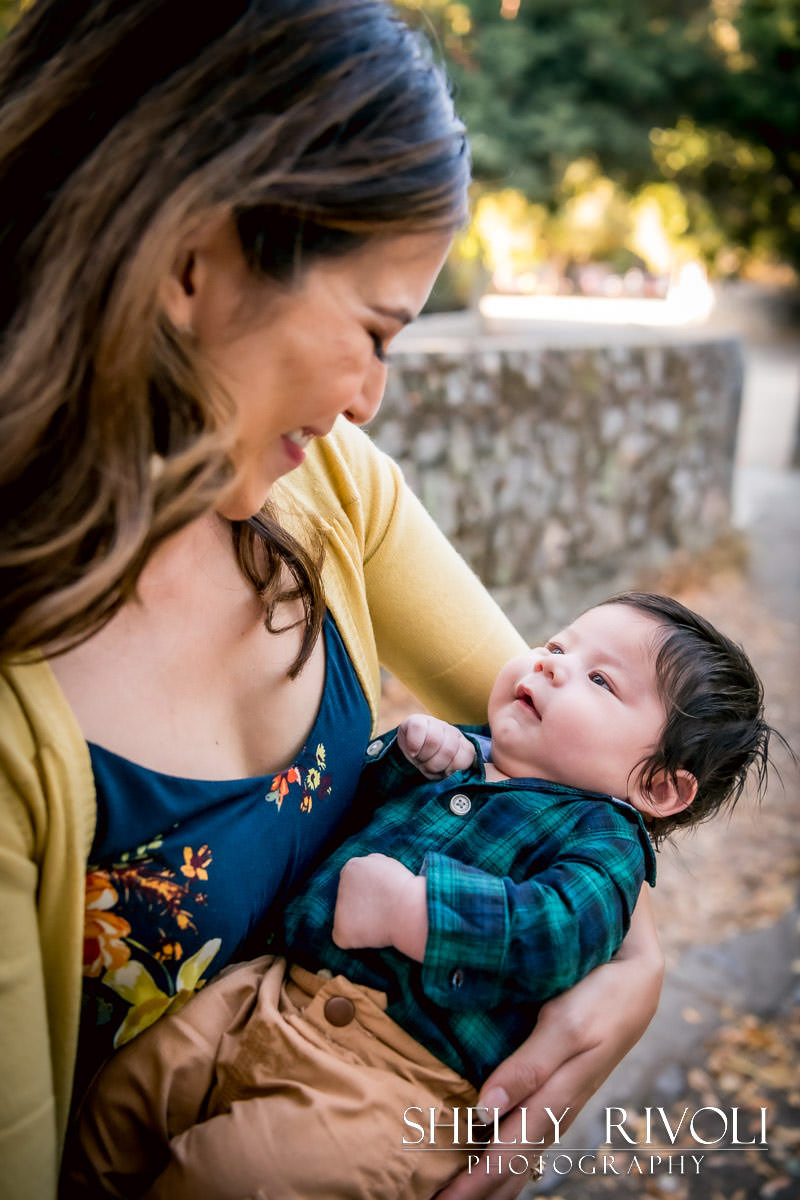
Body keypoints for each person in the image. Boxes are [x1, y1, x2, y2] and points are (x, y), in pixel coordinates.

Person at [0, 2, 665, 1199]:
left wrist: (632, 967)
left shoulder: (332, 489)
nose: (371, 399)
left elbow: (569, 765)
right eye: (371, 329)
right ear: (191, 262)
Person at [63, 591, 774, 1198]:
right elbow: (350, 815)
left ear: (657, 786)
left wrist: (419, 914)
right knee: (114, 1113)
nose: (552, 663)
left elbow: (551, 934)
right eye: (557, 643)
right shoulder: (469, 754)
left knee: (234, 1179)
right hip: (264, 994)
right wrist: (404, 761)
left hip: (390, 1082)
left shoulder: (606, 845)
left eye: (599, 680)